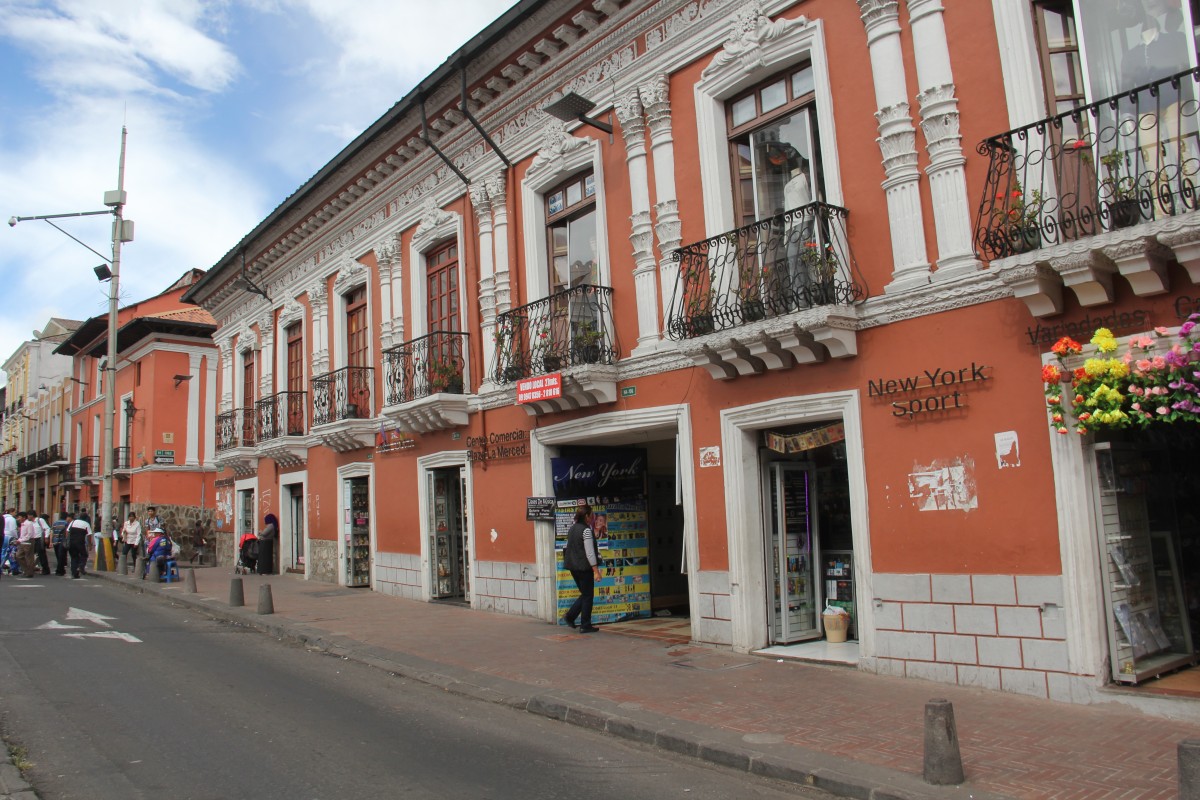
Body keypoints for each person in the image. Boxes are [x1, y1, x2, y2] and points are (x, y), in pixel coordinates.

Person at [560, 507, 602, 633]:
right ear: (587, 516)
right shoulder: (586, 531)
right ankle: (585, 625)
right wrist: (596, 570)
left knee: (585, 594)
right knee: (588, 595)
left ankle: (570, 616)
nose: (593, 518)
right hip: (584, 568)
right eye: (592, 515)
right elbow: (590, 553)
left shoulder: (572, 528)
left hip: (573, 567)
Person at [66, 511, 92, 579]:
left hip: (72, 543)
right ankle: (81, 565)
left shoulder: (73, 522)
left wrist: (67, 540)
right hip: (80, 543)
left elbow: (67, 531)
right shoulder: (86, 524)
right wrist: (90, 544)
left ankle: (74, 573)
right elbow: (89, 535)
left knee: (74, 557)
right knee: (84, 555)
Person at [15, 511, 38, 578]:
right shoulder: (22, 524)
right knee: (18, 556)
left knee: (29, 558)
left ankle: (29, 572)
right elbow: (22, 534)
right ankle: (26, 570)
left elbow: (29, 534)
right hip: (22, 542)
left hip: (28, 541)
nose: (18, 519)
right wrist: (19, 540)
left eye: (19, 517)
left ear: (24, 517)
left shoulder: (29, 524)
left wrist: (20, 540)